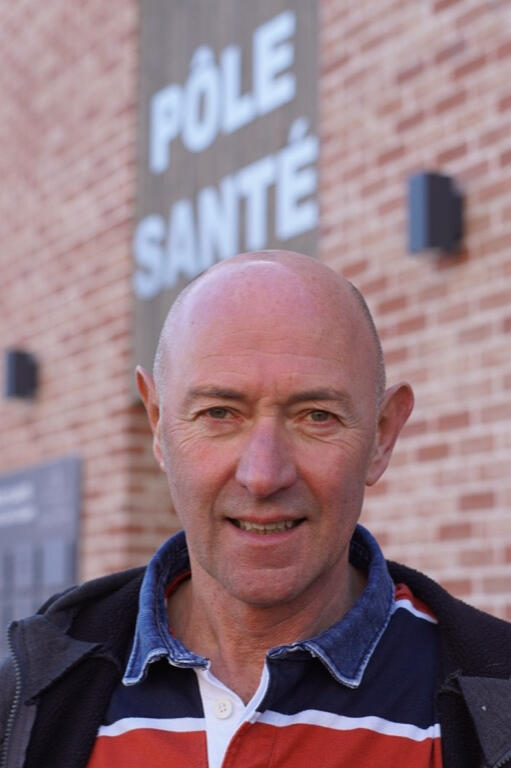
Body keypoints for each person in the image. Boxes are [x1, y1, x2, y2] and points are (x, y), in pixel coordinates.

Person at [1, 251, 510, 768]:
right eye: (219, 412)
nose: (263, 475)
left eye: (317, 416)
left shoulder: (495, 708)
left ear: (382, 436)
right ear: (157, 423)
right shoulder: (26, 704)